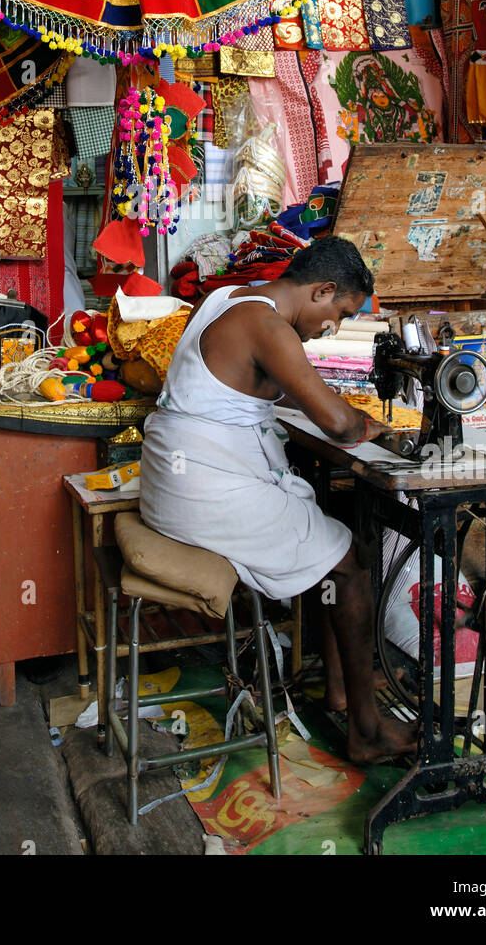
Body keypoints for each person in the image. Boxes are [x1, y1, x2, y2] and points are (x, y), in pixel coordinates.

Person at [139, 234, 416, 765]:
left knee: (322, 537)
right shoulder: (267, 326)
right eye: (340, 313)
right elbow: (337, 424)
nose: (332, 328)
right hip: (201, 490)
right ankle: (366, 730)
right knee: (350, 563)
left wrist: (324, 397)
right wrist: (376, 427)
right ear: (323, 290)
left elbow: (258, 386)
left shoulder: (229, 300)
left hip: (175, 479)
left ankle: (341, 689)